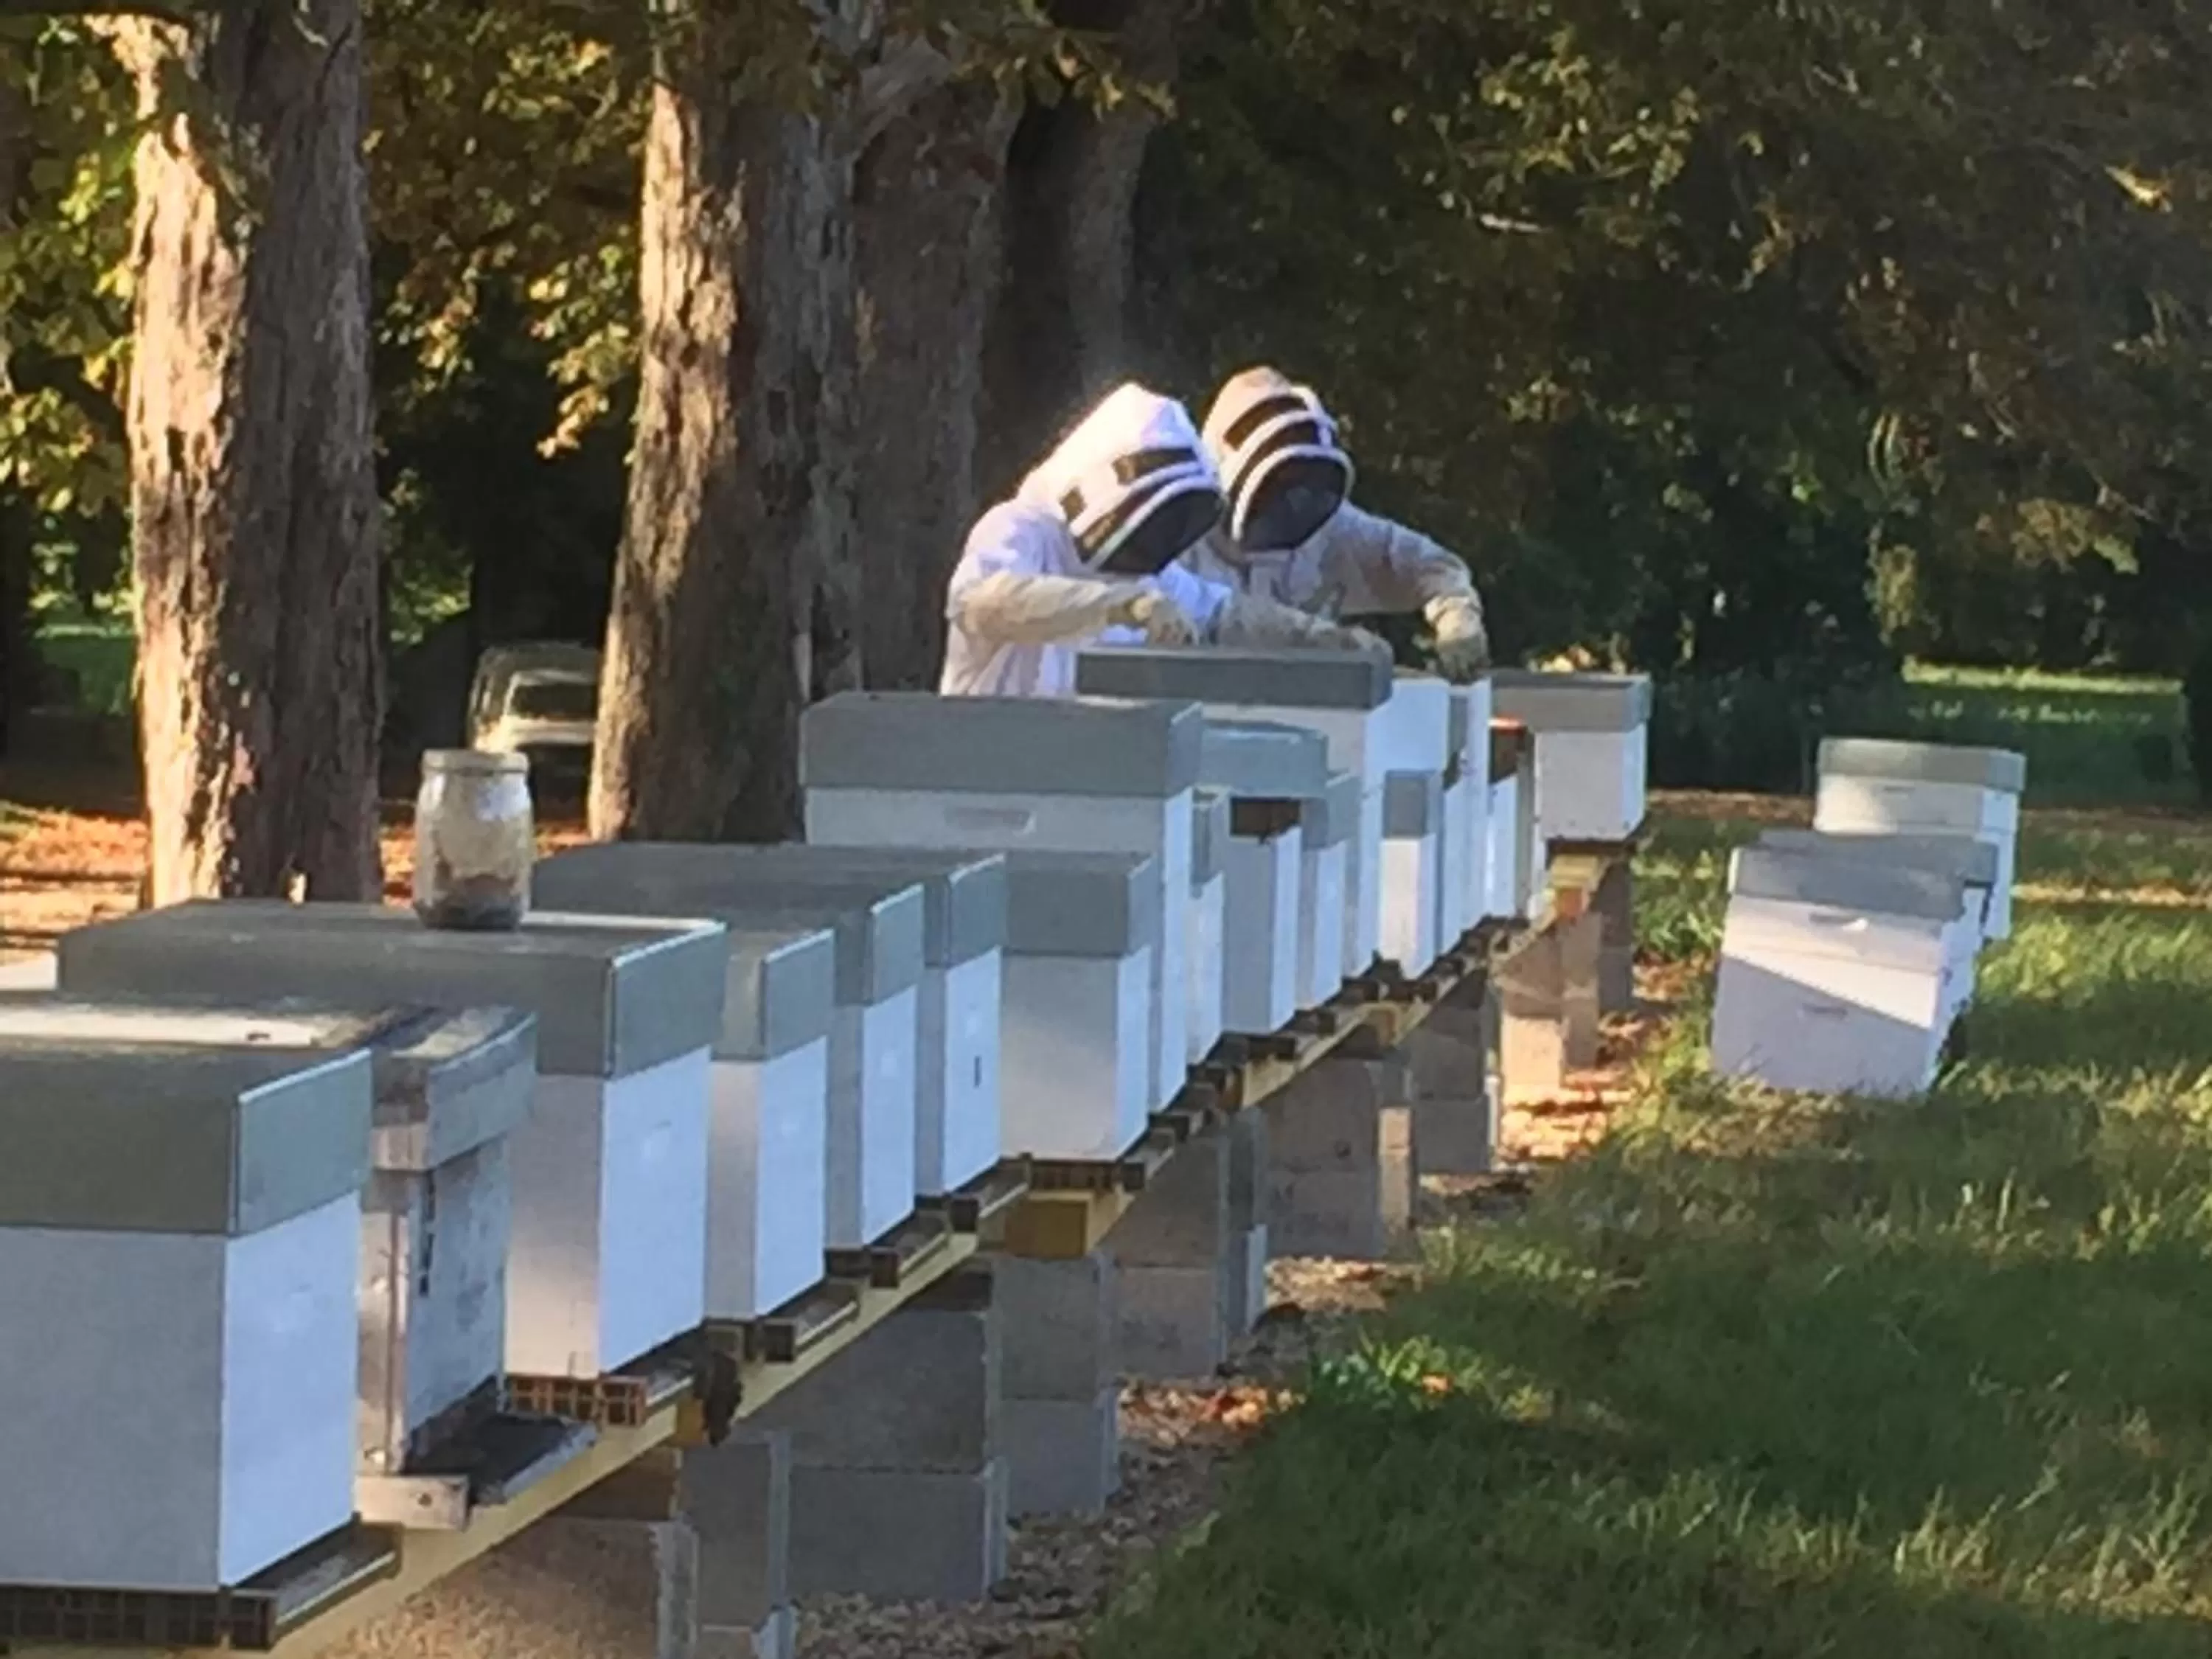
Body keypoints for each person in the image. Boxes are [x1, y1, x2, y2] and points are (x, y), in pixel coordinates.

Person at [941, 380, 1387, 698]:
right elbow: (979, 604)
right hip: (987, 750)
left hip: (1089, 770)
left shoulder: (1145, 577)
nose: (1156, 542)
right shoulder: (1022, 528)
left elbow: (1222, 616)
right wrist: (1115, 607)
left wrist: (1325, 639)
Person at [1186, 366, 1491, 681]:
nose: (1295, 503)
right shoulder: (1178, 537)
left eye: (1306, 482)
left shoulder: (1331, 528)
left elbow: (1428, 564)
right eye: (1281, 483)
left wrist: (1458, 616)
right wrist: (1320, 640)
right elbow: (1211, 611)